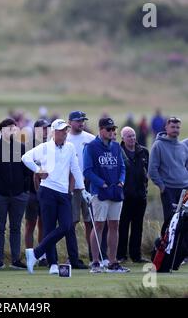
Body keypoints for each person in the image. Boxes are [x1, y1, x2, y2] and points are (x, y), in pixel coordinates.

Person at [23, 119, 88, 274]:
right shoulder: (44, 147)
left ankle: (36, 253)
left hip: (64, 193)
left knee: (66, 225)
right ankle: (53, 264)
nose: (64, 133)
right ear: (54, 132)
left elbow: (76, 169)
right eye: (61, 131)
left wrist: (83, 189)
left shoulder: (70, 147)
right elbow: (26, 158)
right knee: (49, 227)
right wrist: (38, 170)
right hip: (47, 191)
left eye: (66, 130)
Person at [83, 117, 129, 273]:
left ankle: (113, 261)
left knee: (114, 225)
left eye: (113, 129)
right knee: (99, 226)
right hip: (100, 192)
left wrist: (121, 181)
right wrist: (101, 183)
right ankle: (95, 262)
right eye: (109, 129)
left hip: (116, 191)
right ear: (101, 129)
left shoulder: (116, 147)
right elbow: (87, 171)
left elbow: (122, 167)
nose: (112, 132)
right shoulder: (91, 147)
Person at [0, 118, 30, 270]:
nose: (12, 130)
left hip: (19, 194)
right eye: (9, 128)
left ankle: (16, 259)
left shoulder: (22, 148)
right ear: (2, 130)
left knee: (16, 227)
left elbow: (27, 171)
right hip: (0, 195)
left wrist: (25, 189)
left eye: (14, 128)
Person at [67, 111, 96, 269]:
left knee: (89, 221)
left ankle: (94, 256)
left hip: (88, 186)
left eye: (83, 120)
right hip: (71, 187)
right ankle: (73, 256)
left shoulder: (90, 139)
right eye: (78, 121)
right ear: (70, 122)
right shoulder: (65, 138)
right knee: (71, 222)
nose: (81, 123)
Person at [117, 127, 149, 263]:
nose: (132, 138)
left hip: (140, 195)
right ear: (123, 138)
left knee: (138, 227)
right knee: (122, 226)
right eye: (129, 136)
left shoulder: (143, 151)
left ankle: (136, 255)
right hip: (125, 195)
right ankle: (121, 255)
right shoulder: (118, 151)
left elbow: (147, 170)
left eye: (133, 136)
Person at [148, 117, 188, 221]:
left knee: (184, 221)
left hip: (185, 189)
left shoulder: (183, 147)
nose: (175, 129)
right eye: (172, 127)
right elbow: (152, 170)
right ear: (166, 127)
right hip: (169, 189)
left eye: (177, 127)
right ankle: (165, 238)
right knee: (170, 221)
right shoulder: (158, 145)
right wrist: (162, 187)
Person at [24, 119, 50, 267]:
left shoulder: (51, 146)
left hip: (47, 190)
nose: (46, 131)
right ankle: (29, 254)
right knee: (30, 224)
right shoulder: (29, 146)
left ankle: (41, 255)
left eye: (47, 128)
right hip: (31, 192)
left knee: (43, 223)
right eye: (43, 129)